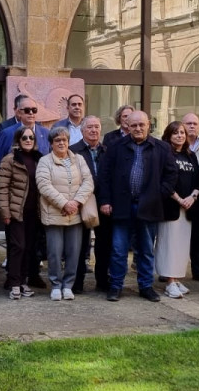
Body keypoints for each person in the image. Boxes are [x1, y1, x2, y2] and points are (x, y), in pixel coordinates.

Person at [97, 110, 177, 302]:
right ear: (127, 126)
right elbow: (104, 176)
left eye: (141, 124)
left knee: (146, 250)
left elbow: (171, 175)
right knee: (118, 250)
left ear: (149, 124)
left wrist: (159, 194)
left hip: (149, 207)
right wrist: (105, 201)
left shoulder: (162, 148)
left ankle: (146, 286)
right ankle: (116, 286)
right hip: (121, 206)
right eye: (133, 125)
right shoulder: (115, 147)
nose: (138, 128)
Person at [35, 124, 94, 300]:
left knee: (74, 252)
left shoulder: (79, 159)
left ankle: (68, 285)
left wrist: (75, 202)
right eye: (57, 140)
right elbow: (44, 185)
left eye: (64, 140)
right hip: (54, 214)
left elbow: (88, 182)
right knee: (54, 252)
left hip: (75, 214)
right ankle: (55, 285)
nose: (61, 143)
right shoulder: (45, 161)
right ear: (51, 143)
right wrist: (63, 203)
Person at [156, 121, 199, 298]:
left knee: (182, 246)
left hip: (188, 208)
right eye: (175, 133)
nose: (180, 136)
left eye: (182, 133)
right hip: (171, 207)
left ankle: (176, 279)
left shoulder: (190, 155)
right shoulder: (164, 155)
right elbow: (163, 181)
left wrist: (193, 197)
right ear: (168, 136)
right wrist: (179, 199)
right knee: (169, 244)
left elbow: (198, 180)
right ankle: (169, 281)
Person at [0, 125, 42, 299]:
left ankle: (23, 281)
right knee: (18, 247)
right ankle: (14, 283)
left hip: (33, 212)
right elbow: (2, 188)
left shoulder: (39, 159)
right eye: (25, 138)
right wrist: (5, 213)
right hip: (16, 212)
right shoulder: (10, 159)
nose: (28, 141)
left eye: (31, 138)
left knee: (29, 248)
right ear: (18, 140)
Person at [72, 115, 109, 294]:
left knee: (104, 245)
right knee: (79, 245)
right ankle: (77, 283)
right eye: (89, 127)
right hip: (81, 202)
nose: (94, 130)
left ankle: (102, 282)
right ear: (82, 130)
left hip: (104, 203)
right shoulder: (73, 151)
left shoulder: (108, 150)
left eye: (96, 127)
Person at [182, 112, 199, 281]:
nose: (192, 126)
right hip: (178, 197)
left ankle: (198, 269)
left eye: (195, 123)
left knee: (197, 235)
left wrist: (197, 193)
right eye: (188, 123)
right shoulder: (174, 144)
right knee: (176, 235)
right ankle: (171, 270)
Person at [0, 95, 50, 159]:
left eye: (34, 110)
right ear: (18, 113)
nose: (31, 113)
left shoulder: (46, 133)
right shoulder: (7, 134)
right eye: (27, 110)